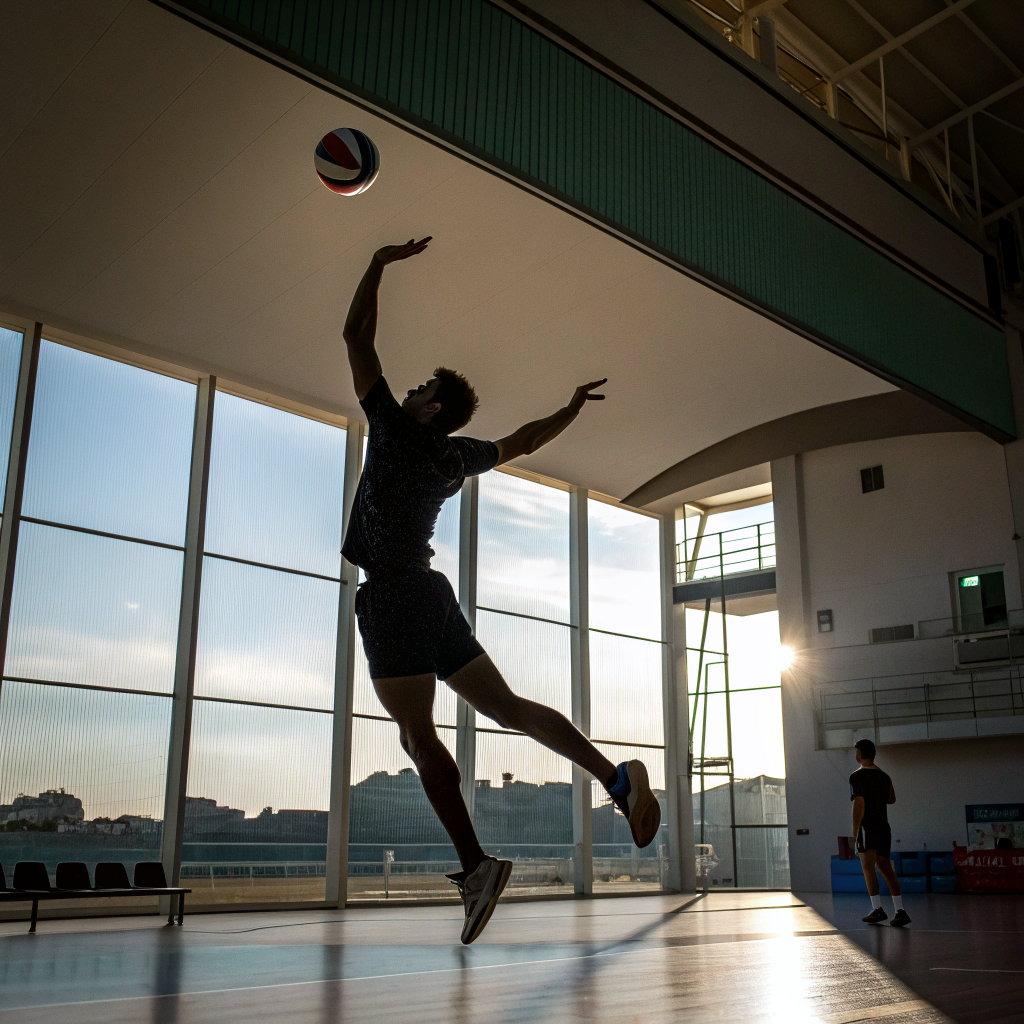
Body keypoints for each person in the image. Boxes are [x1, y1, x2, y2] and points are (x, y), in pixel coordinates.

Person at [342, 237, 662, 944]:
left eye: (422, 387)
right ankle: (615, 779)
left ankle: (477, 867)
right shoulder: (457, 456)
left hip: (392, 597)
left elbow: (354, 334)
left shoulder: (394, 430)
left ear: (428, 407)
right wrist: (573, 406)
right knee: (508, 707)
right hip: (430, 595)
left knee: (419, 736)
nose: (413, 389)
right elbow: (523, 440)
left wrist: (379, 263)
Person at [850, 738, 909, 927]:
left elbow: (859, 804)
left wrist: (855, 831)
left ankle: (877, 909)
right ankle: (900, 910)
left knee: (868, 867)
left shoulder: (856, 776)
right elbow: (891, 799)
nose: (855, 754)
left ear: (860, 753)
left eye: (857, 751)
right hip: (884, 826)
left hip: (867, 827)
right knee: (885, 866)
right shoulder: (885, 776)